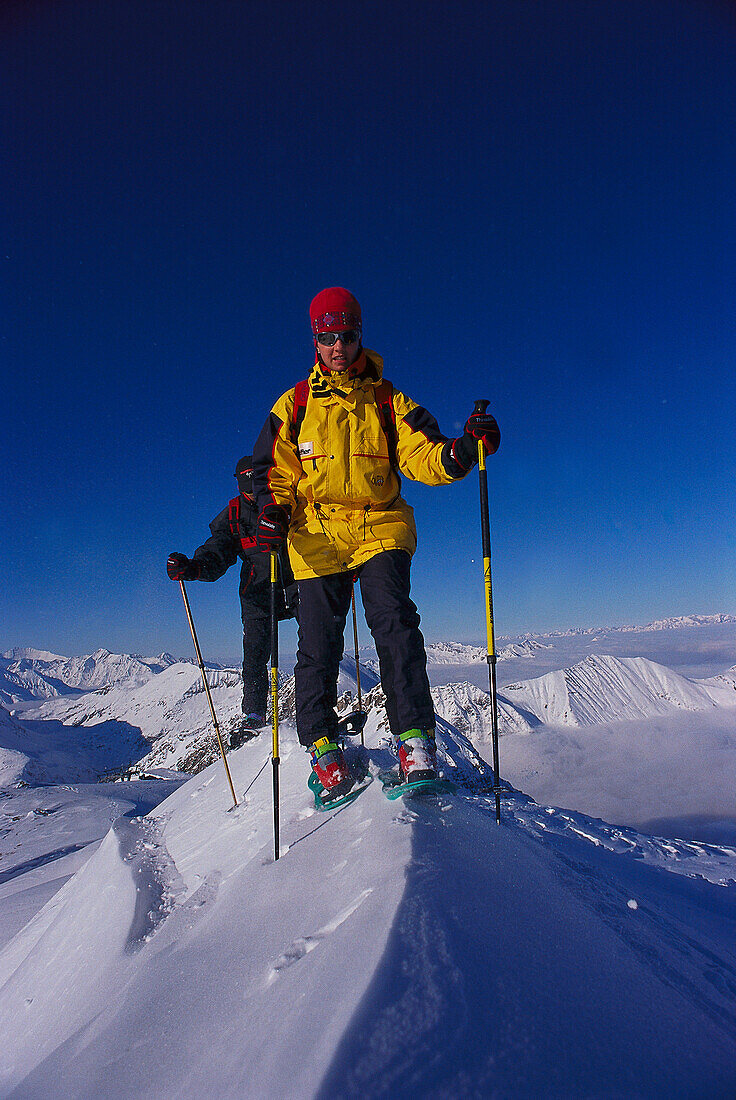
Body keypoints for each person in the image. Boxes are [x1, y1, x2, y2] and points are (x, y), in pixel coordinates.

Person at [252, 286, 500, 801]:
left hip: (379, 527)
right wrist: (272, 511)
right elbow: (271, 472)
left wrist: (462, 452)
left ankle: (415, 743)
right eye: (327, 336)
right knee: (318, 646)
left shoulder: (389, 401)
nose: (337, 346)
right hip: (315, 535)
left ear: (359, 334)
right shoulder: (294, 404)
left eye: (346, 334)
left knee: (394, 623)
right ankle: (323, 751)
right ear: (314, 340)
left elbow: (423, 454)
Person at [167, 455, 298, 748]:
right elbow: (218, 550)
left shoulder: (286, 498)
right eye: (247, 484)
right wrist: (194, 567)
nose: (253, 490)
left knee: (316, 644)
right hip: (258, 588)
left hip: (297, 576)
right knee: (255, 655)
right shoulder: (234, 514)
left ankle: (316, 708)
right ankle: (254, 713)